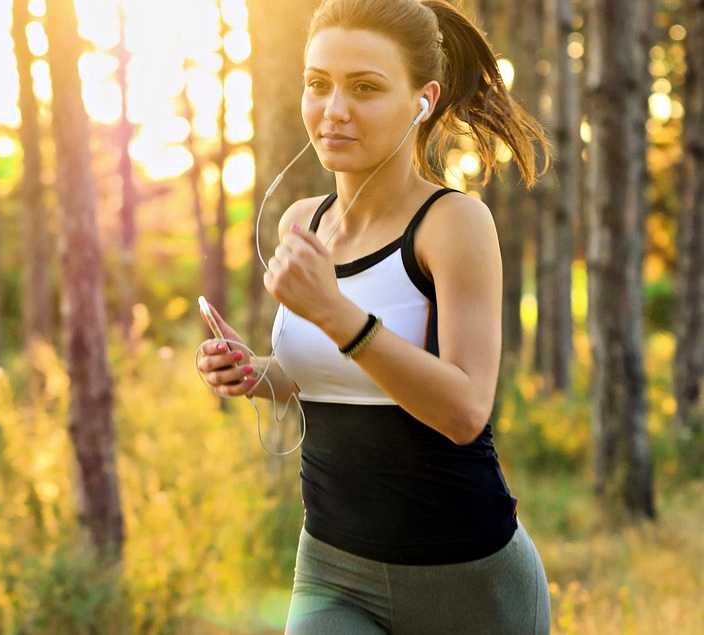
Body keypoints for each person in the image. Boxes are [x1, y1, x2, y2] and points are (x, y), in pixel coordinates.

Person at [197, 0, 552, 632]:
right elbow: (327, 375)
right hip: (332, 567)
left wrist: (335, 313)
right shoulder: (301, 221)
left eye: (365, 87)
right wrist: (256, 372)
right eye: (317, 84)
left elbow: (465, 410)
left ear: (423, 99)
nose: (333, 110)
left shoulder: (452, 224)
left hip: (466, 578)